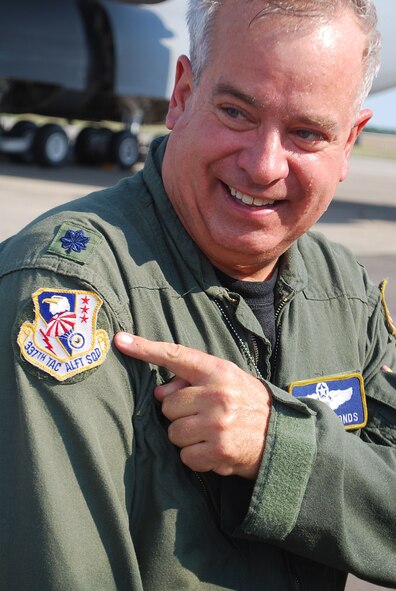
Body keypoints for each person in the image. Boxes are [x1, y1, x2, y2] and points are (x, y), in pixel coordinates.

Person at [0, 0, 395, 589]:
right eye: (236, 112)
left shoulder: (344, 294)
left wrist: (281, 451)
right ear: (181, 96)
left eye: (307, 133)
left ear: (350, 143)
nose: (263, 167)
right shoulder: (70, 289)